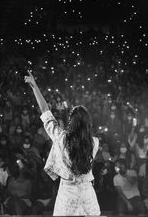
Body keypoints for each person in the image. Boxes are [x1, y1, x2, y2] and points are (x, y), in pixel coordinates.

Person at [25, 70, 100, 216]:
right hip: (87, 194)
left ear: (70, 121)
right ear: (88, 123)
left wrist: (34, 86)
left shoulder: (61, 138)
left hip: (67, 193)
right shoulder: (94, 142)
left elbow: (45, 110)